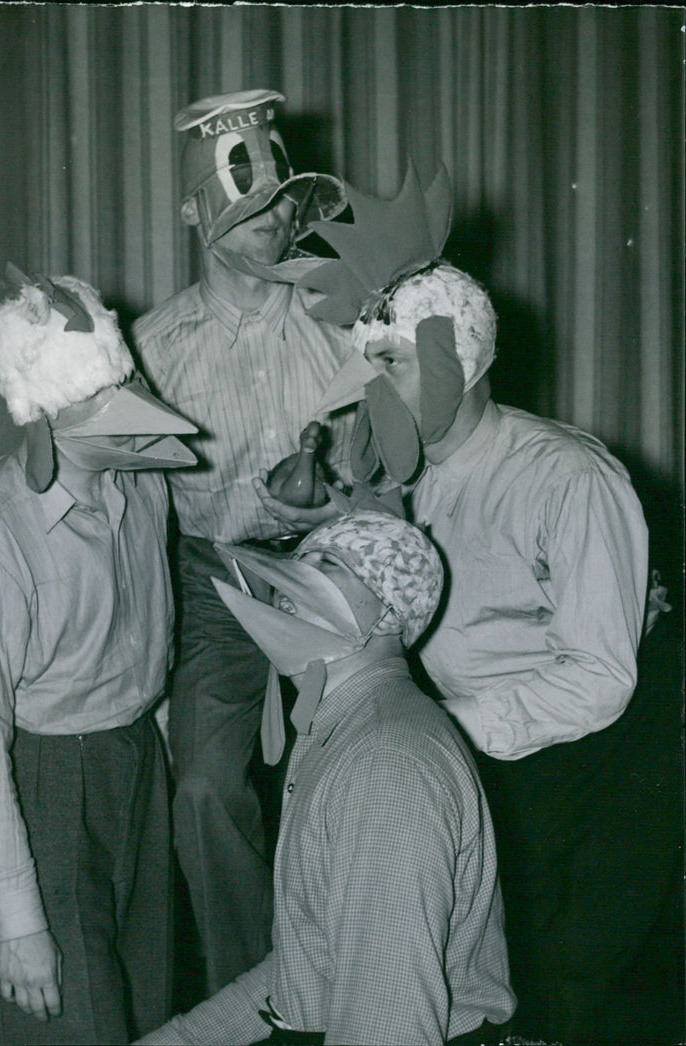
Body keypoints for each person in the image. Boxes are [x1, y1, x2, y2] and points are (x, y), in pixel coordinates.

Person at [257, 166, 682, 1044]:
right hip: (454, 757)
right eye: (366, 365)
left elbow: (602, 678)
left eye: (391, 365)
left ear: (462, 356)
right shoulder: (394, 466)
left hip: (570, 776)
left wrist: (443, 731)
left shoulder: (569, 477)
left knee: (555, 999)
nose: (370, 390)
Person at [0, 266, 197, 1045]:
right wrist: (16, 923)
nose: (129, 406)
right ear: (44, 414)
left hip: (134, 766)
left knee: (142, 1016)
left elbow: (153, 649)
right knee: (64, 1025)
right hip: (38, 785)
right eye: (99, 395)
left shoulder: (145, 488)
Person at [135, 509, 516, 1046]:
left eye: (327, 564)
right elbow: (306, 968)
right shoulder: (344, 725)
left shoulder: (385, 765)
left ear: (386, 615)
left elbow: (387, 1025)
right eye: (297, 562)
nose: (288, 587)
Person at [132, 88, 356, 994]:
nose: (272, 222)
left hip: (335, 571)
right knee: (205, 793)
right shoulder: (150, 352)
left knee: (354, 776)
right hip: (213, 586)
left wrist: (343, 500)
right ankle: (254, 991)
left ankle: (351, 967)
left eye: (281, 201)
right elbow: (135, 510)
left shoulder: (338, 317)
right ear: (196, 214)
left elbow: (402, 460)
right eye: (247, 204)